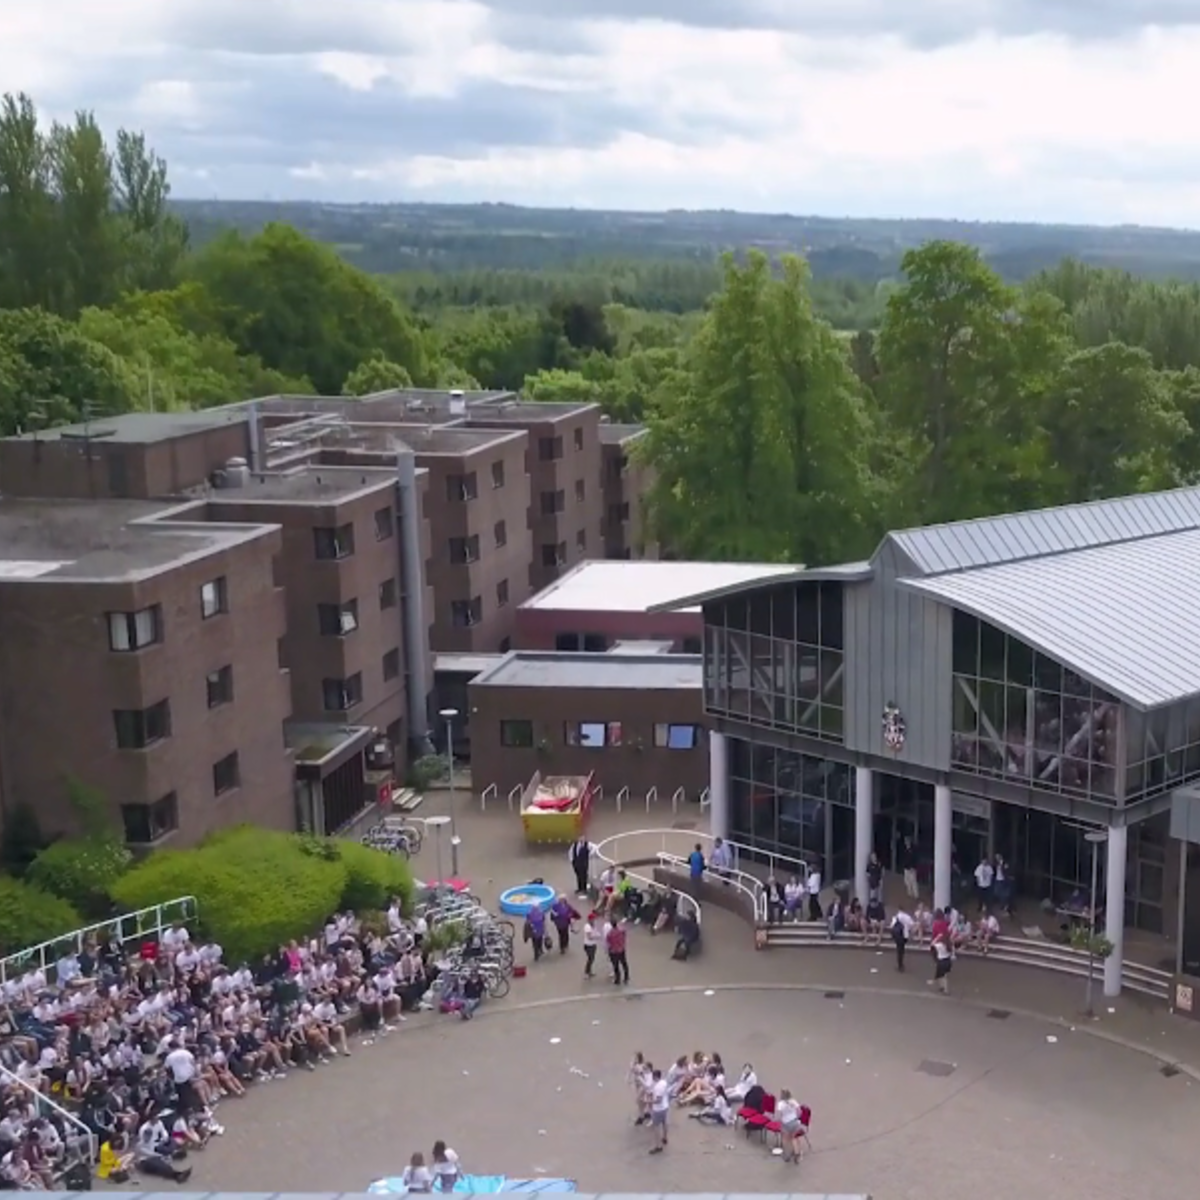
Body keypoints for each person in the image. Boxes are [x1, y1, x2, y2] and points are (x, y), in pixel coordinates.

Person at [775, 1088, 805, 1163]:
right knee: (794, 1139)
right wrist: (797, 1117)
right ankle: (797, 1155)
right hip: (794, 1122)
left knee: (785, 1139)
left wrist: (780, 1120)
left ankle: (787, 1155)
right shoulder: (793, 1101)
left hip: (786, 1123)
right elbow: (800, 1111)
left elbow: (779, 1114)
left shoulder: (780, 1104)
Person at [647, 1067, 669, 1154]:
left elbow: (658, 1100)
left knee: (656, 1127)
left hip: (659, 1109)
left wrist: (648, 1101)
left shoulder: (658, 1087)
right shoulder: (664, 1083)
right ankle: (665, 1137)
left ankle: (658, 1146)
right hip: (665, 1106)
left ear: (655, 1077)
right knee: (664, 1123)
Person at [606, 917, 630, 985]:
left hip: (614, 951)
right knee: (624, 964)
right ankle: (626, 977)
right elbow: (625, 935)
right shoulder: (621, 931)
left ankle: (618, 979)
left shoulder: (610, 934)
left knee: (616, 966)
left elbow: (609, 942)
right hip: (621, 950)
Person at [582, 912, 602, 979]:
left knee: (592, 958)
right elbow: (589, 937)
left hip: (593, 944)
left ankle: (589, 971)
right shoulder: (587, 927)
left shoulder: (593, 925)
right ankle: (586, 972)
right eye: (593, 919)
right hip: (588, 945)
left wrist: (597, 934)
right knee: (590, 959)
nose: (594, 920)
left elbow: (595, 932)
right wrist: (597, 936)